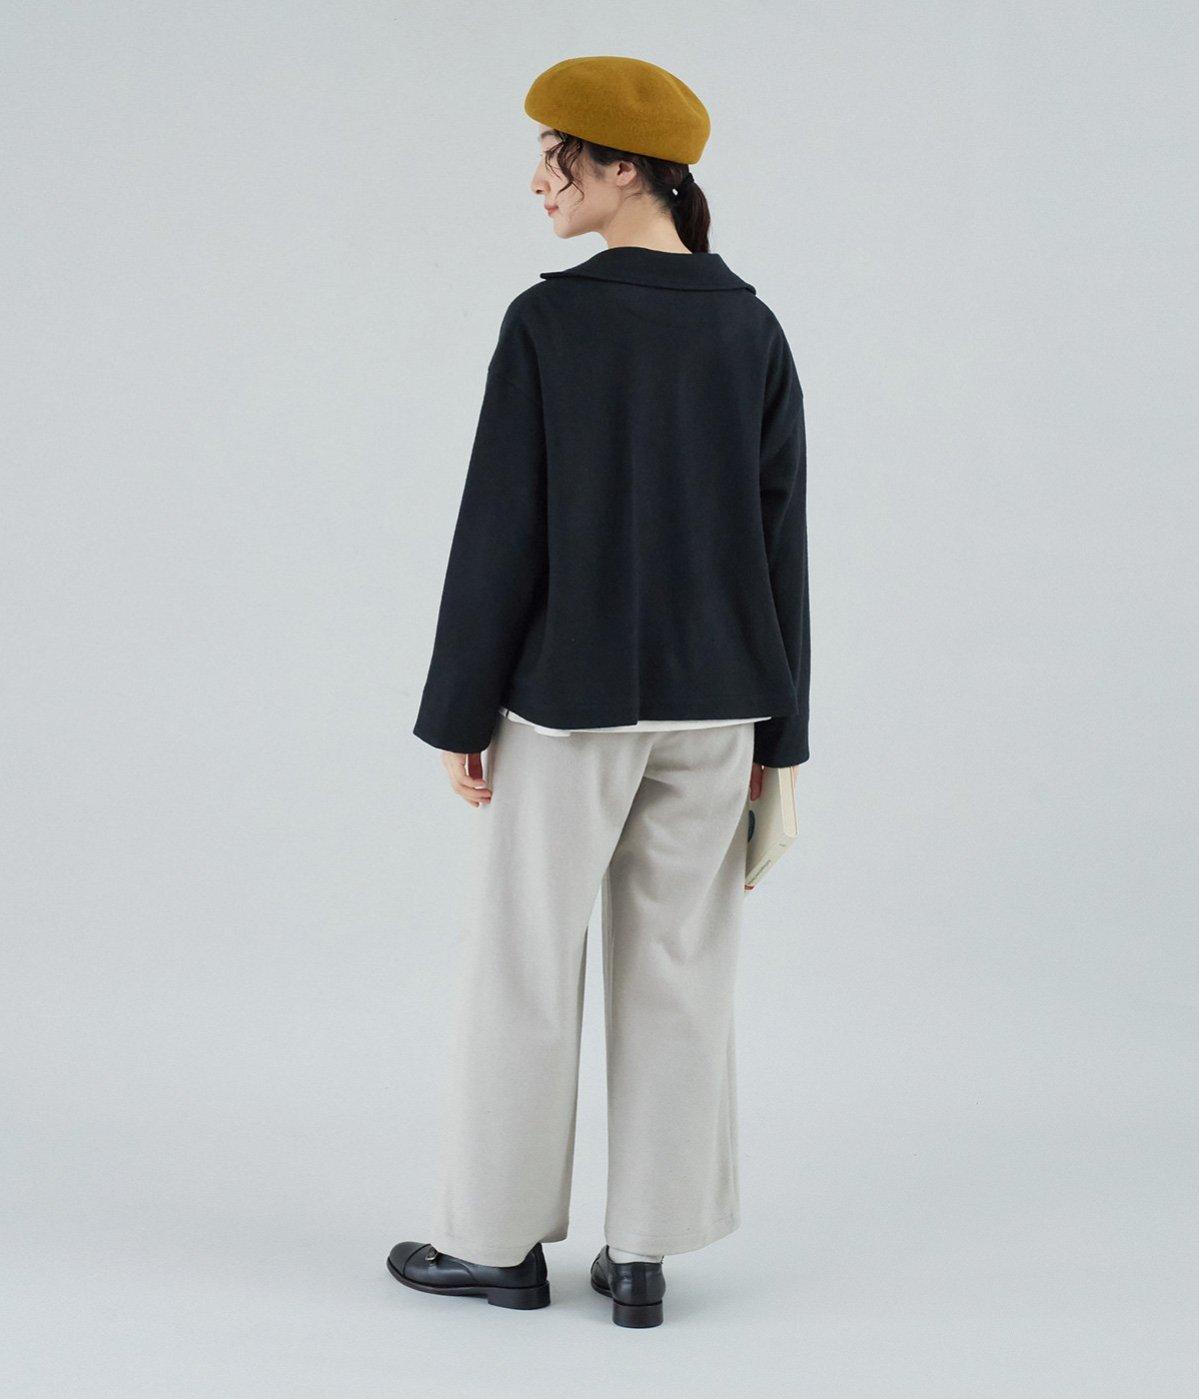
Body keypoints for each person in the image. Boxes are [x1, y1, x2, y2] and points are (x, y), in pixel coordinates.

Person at [388, 55, 810, 1329]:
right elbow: (780, 546)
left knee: (525, 965)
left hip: (567, 706)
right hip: (720, 705)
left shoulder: (551, 324)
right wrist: (782, 737)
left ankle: (496, 1244)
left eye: (554, 155)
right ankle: (644, 1255)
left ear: (623, 167)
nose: (538, 179)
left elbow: (500, 529)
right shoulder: (751, 328)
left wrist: (460, 709)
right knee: (680, 972)